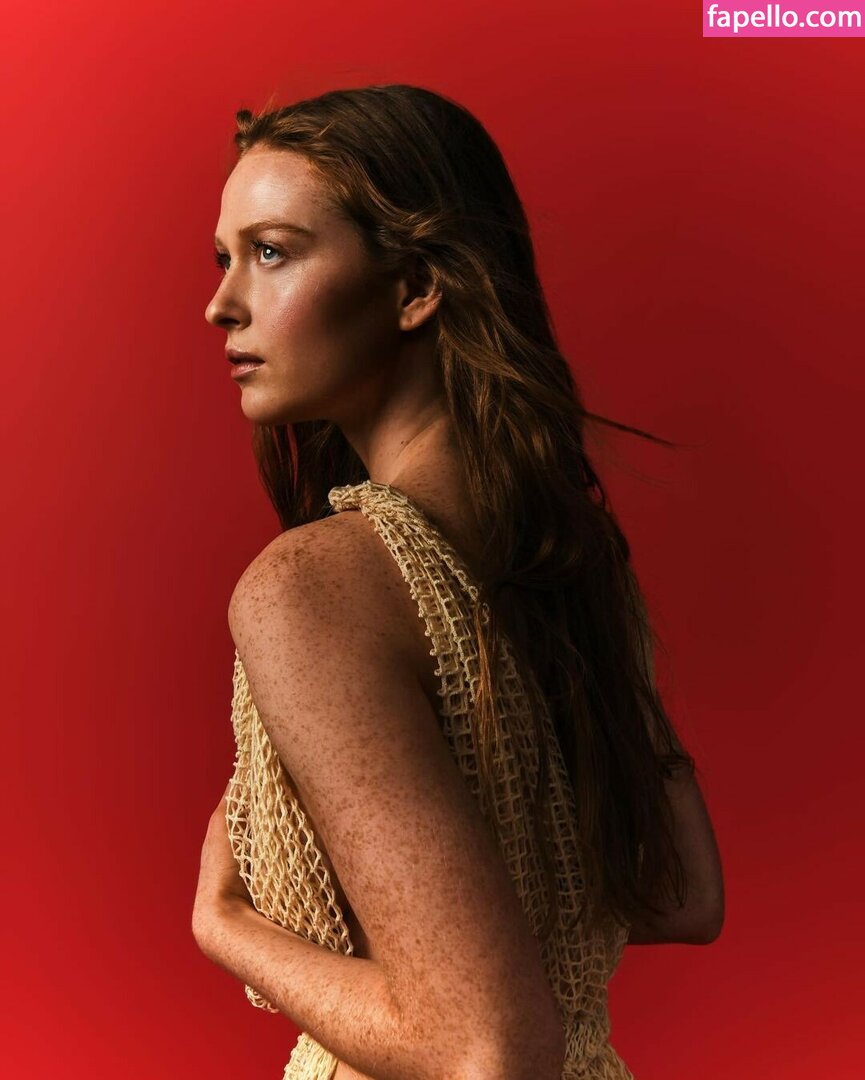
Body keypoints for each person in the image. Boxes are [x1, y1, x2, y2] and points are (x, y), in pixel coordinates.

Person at [191, 84, 724, 1080]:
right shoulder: (570, 555)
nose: (221, 303)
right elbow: (682, 894)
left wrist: (226, 926)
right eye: (225, 258)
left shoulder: (314, 584)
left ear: (414, 287)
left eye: (271, 252)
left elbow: (483, 1050)